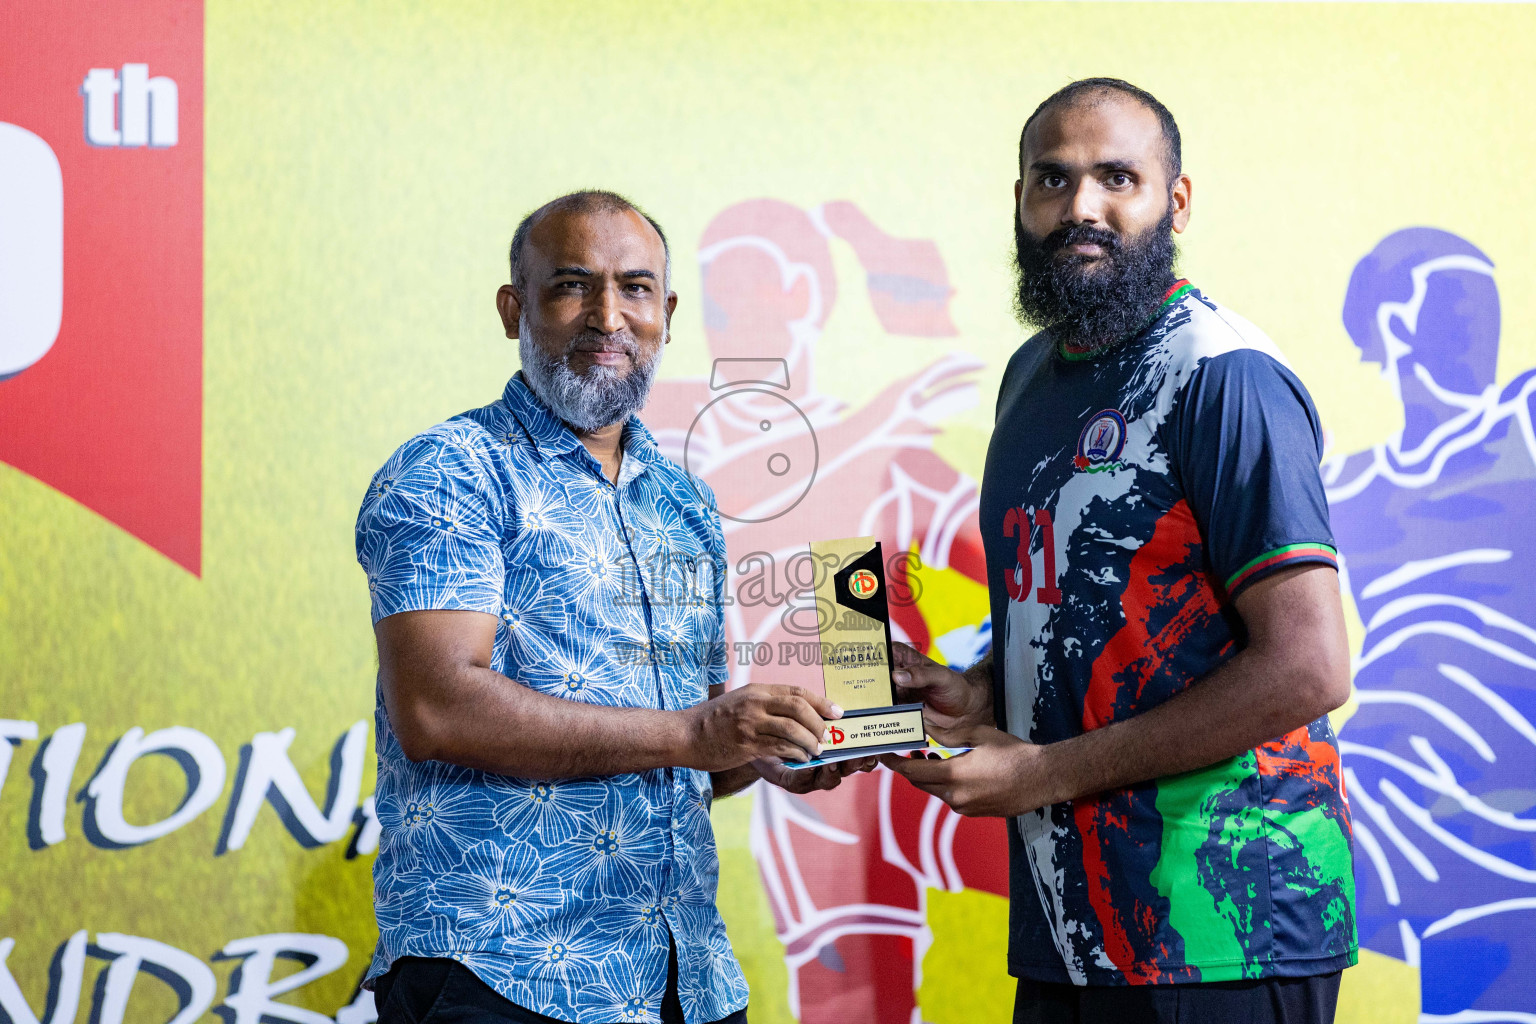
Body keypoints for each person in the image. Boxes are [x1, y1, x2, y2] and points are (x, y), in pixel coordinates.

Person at [883, 79, 1357, 1024]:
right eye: (1052, 181)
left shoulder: (1224, 375)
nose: (1080, 208)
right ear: (1018, 200)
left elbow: (1308, 666)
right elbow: (1098, 618)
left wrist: (1041, 773)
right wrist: (977, 692)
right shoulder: (1030, 379)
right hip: (1073, 926)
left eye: (1117, 178)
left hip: (1227, 925)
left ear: (1175, 202)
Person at [354, 190, 867, 1024]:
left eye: (634, 289)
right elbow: (437, 707)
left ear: (665, 312)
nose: (607, 316)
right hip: (499, 974)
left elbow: (690, 737)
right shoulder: (451, 470)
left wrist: (773, 750)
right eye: (570, 286)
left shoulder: (685, 502)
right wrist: (696, 734)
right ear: (512, 308)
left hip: (682, 977)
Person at [1324, 228, 1536, 1018]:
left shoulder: (1521, 426)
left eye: (1488, 304)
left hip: (1506, 806)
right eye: (1457, 302)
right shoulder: (1345, 487)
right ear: (1393, 324)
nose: (1480, 326)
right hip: (1387, 798)